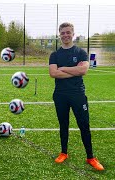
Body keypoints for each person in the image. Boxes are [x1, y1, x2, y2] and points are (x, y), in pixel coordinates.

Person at [49, 22, 104, 171]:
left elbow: (84, 70)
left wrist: (64, 69)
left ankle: (90, 157)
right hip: (60, 95)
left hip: (78, 94)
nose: (65, 35)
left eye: (68, 32)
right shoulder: (55, 54)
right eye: (63, 33)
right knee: (63, 124)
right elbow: (53, 73)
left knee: (84, 125)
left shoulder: (81, 52)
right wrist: (75, 70)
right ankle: (64, 152)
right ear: (59, 35)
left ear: (73, 34)